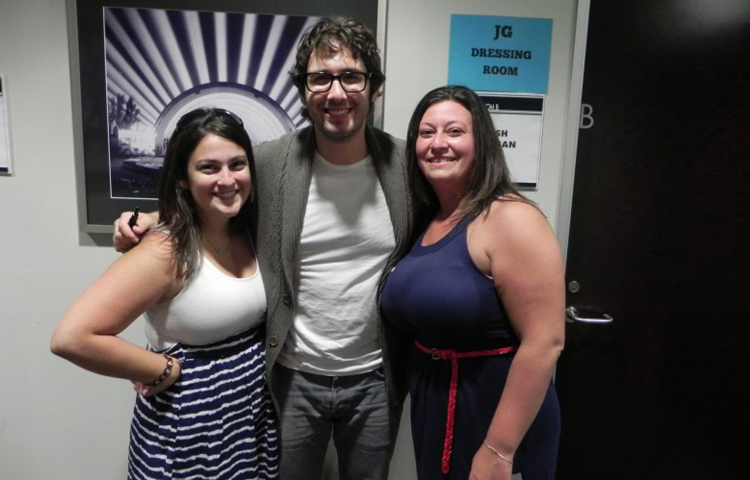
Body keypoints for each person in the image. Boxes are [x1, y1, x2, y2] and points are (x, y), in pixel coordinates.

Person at [112, 18, 413, 480]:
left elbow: (452, 225)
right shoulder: (269, 162)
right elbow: (215, 199)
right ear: (302, 89)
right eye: (320, 78)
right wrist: (153, 222)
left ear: (374, 87)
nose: (336, 92)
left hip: (376, 378)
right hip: (288, 375)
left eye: (351, 76)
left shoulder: (405, 167)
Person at [52, 108, 279, 480]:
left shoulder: (247, 229)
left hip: (246, 414)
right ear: (183, 179)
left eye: (237, 164)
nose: (228, 179)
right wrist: (163, 369)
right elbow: (71, 337)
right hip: (189, 421)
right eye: (208, 168)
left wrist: (153, 215)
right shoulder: (165, 251)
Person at [380, 85, 565, 480]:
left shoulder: (511, 218)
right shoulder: (427, 220)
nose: (438, 143)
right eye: (426, 133)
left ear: (481, 143)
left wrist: (499, 449)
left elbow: (545, 342)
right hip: (436, 408)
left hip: (496, 416)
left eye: (454, 131)